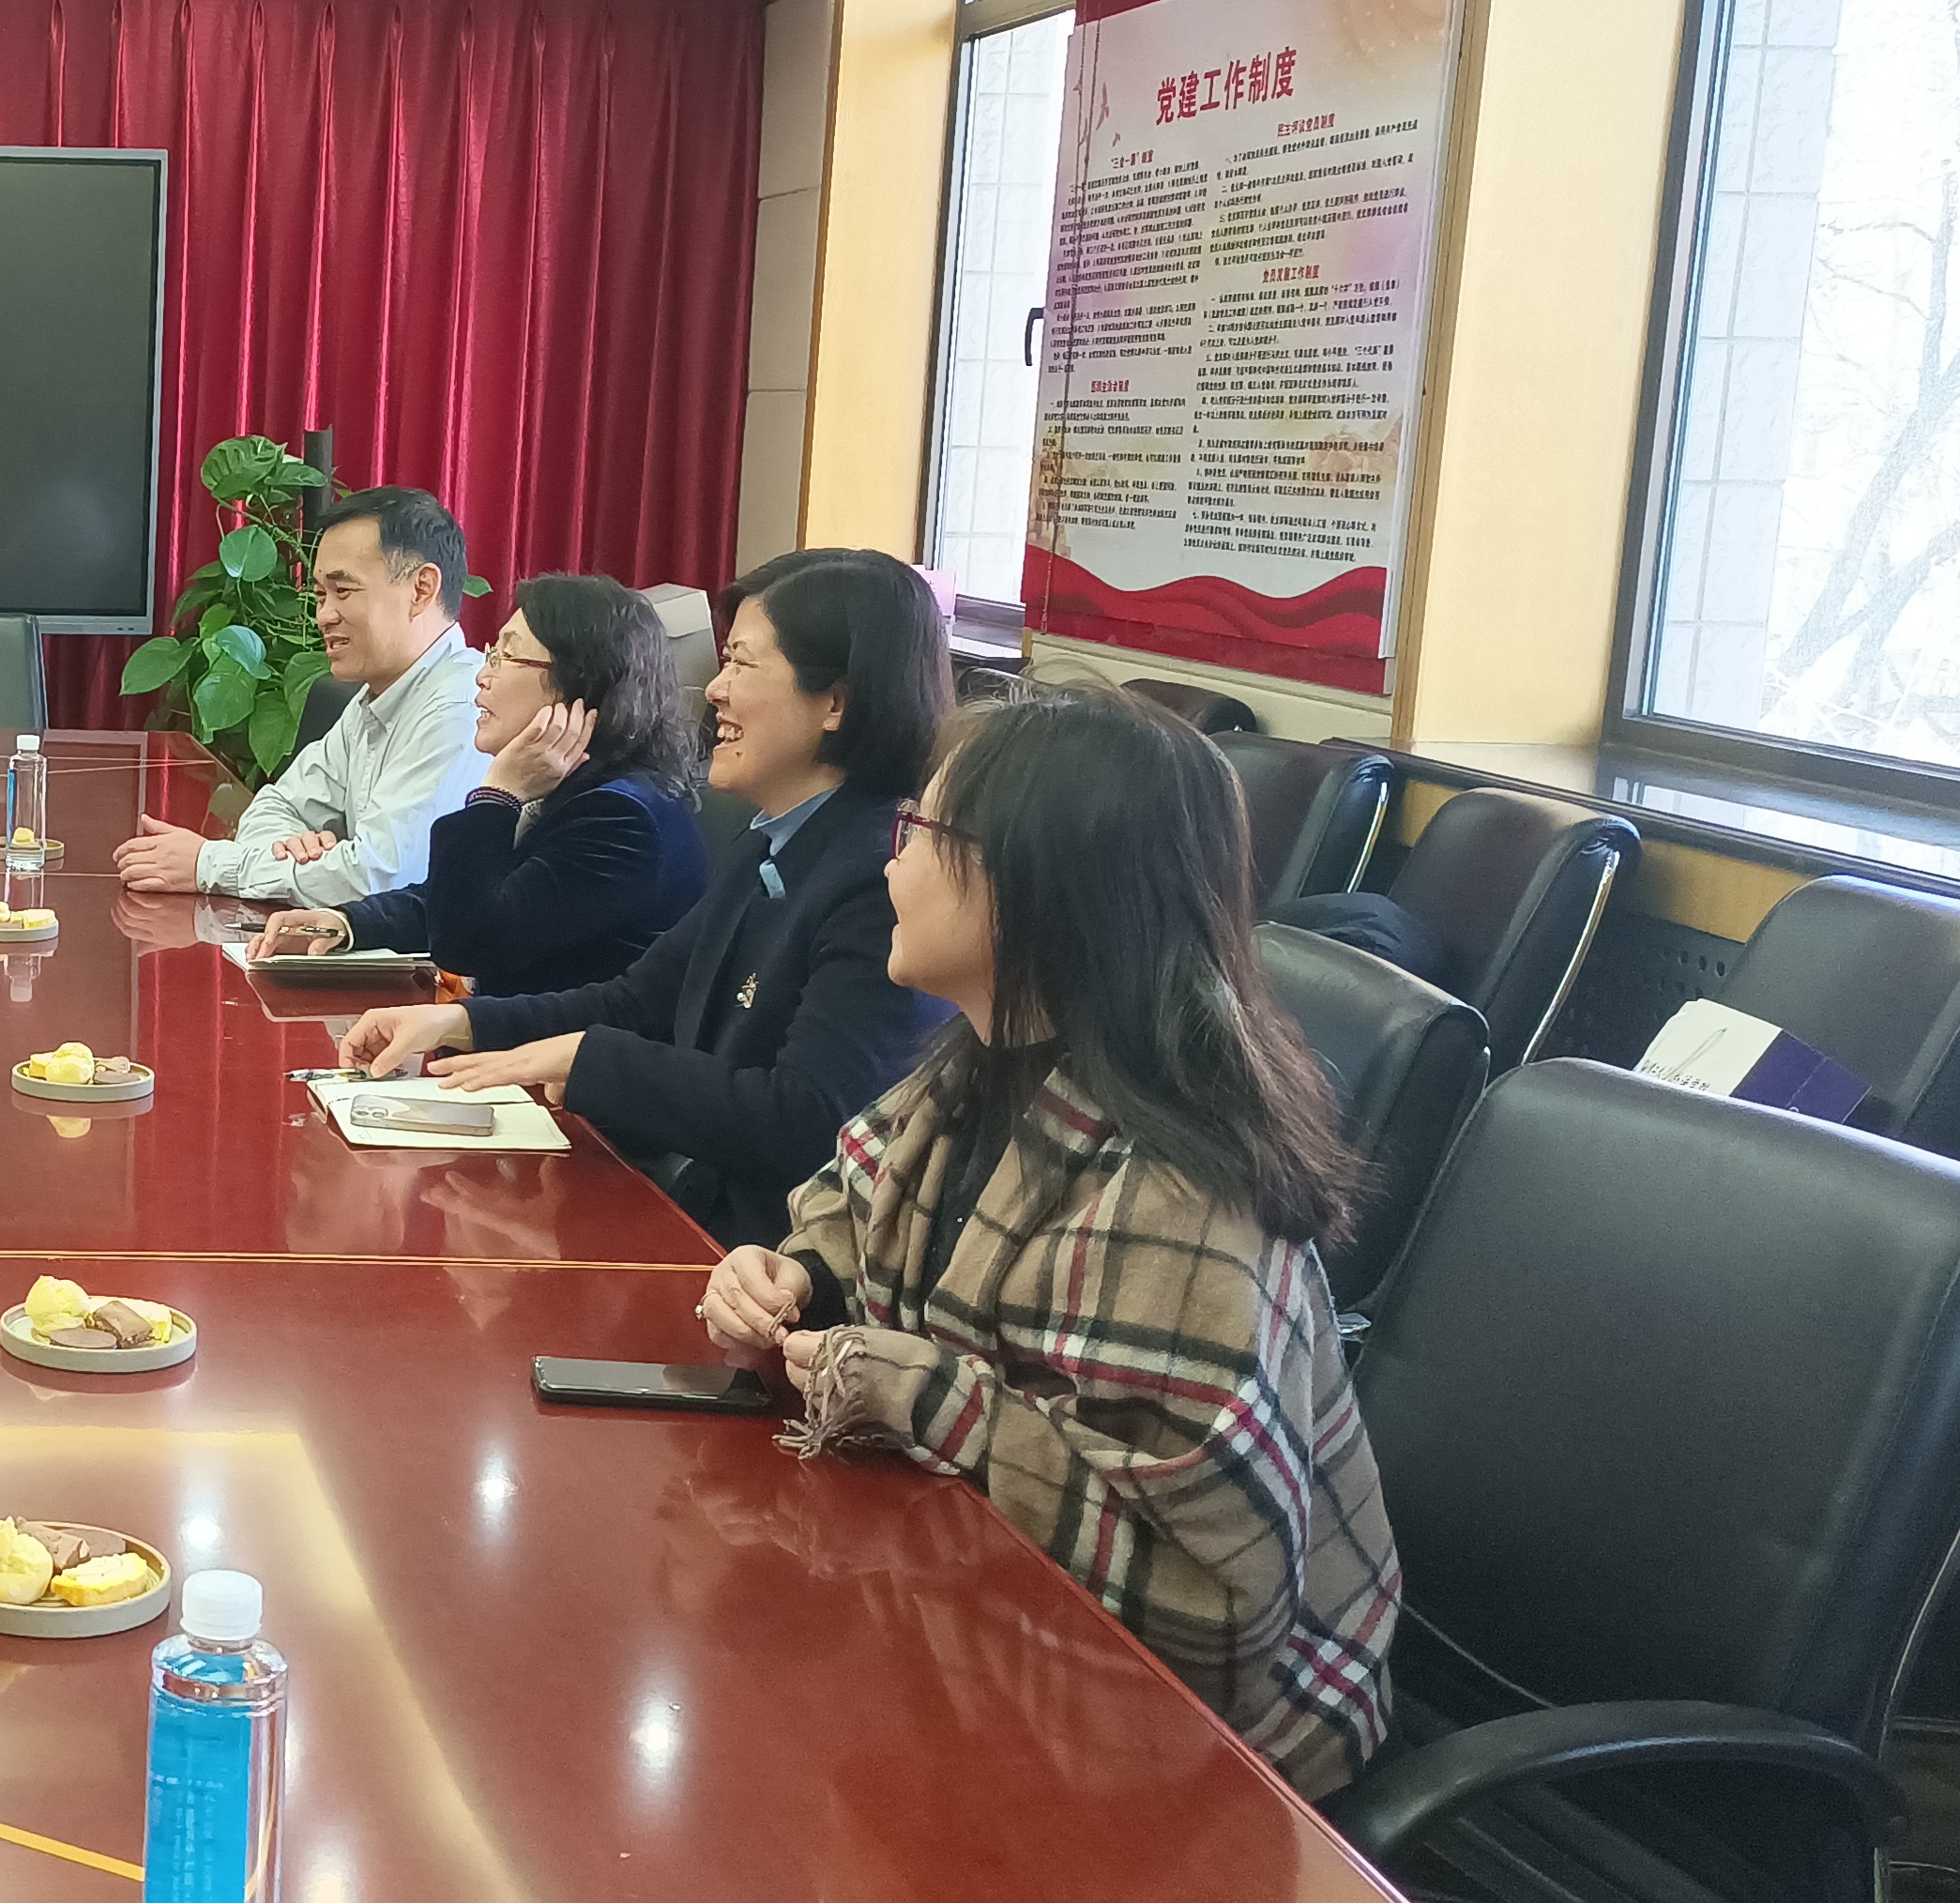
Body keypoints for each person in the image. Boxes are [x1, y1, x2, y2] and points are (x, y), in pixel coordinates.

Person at [698, 683, 1399, 1796]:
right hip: (986, 1622)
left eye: (921, 832)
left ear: (1037, 883)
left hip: (1208, 1752)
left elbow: (1212, 1613)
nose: (891, 862)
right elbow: (847, 1211)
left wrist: (918, 1389)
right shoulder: (984, 1060)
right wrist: (792, 1279)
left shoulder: (1179, 1192)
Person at [341, 549, 956, 1247]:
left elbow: (810, 1117)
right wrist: (457, 1023)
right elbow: (637, 1000)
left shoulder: (885, 876)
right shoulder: (770, 841)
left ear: (835, 703)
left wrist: (588, 1061)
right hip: (706, 1224)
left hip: (773, 1258)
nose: (714, 689)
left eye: (742, 664)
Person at [248, 572, 706, 997]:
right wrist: (344, 923)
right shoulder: (578, 788)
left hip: (556, 1057)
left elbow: (467, 940)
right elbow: (443, 901)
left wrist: (498, 794)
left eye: (505, 657)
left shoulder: (619, 818)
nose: (482, 676)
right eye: (491, 654)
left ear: (576, 682)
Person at [111, 486, 489, 903]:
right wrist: (292, 851)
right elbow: (275, 806)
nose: (323, 615)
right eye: (321, 594)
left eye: (344, 591)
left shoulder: (464, 707)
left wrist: (209, 865)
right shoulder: (378, 696)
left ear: (421, 589)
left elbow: (379, 878)